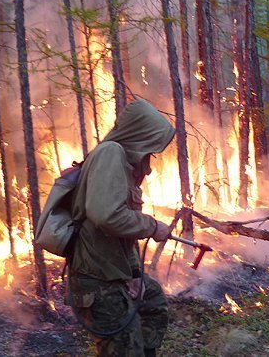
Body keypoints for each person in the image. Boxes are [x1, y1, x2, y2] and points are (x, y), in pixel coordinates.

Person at [68, 99, 175, 356]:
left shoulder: (122, 162)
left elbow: (121, 234)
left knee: (153, 302)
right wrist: (151, 226)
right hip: (98, 281)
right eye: (150, 146)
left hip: (114, 272)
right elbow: (108, 216)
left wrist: (135, 274)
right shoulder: (111, 153)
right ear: (140, 135)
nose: (149, 161)